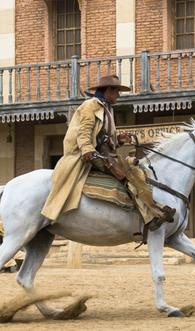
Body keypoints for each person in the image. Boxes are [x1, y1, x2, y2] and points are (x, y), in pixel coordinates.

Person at [41, 75, 175, 233]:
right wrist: (87, 150)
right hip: (95, 155)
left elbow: (103, 137)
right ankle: (151, 215)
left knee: (136, 168)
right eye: (118, 91)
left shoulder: (106, 108)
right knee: (129, 174)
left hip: (104, 152)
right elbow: (83, 132)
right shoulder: (91, 105)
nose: (119, 95)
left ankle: (151, 209)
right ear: (109, 90)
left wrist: (118, 140)